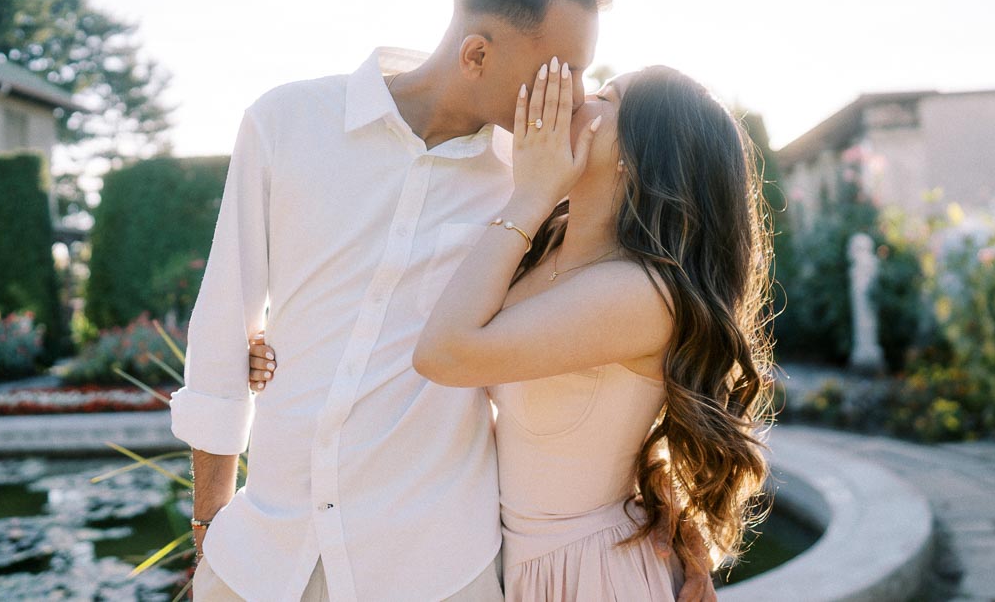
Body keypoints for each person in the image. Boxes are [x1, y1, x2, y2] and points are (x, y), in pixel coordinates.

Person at [171, 0, 715, 602]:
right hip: (260, 560)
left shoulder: (536, 180)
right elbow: (222, 327)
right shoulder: (288, 123)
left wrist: (679, 529)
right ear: (477, 53)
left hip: (436, 570)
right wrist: (210, 521)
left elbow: (612, 370)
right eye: (562, 70)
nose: (574, 97)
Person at [250, 63, 777, 599]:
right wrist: (281, 343)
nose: (577, 98)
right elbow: (406, 303)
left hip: (591, 572)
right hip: (509, 561)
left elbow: (445, 354)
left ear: (637, 157)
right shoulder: (546, 246)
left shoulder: (641, 294)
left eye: (605, 97)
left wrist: (531, 194)